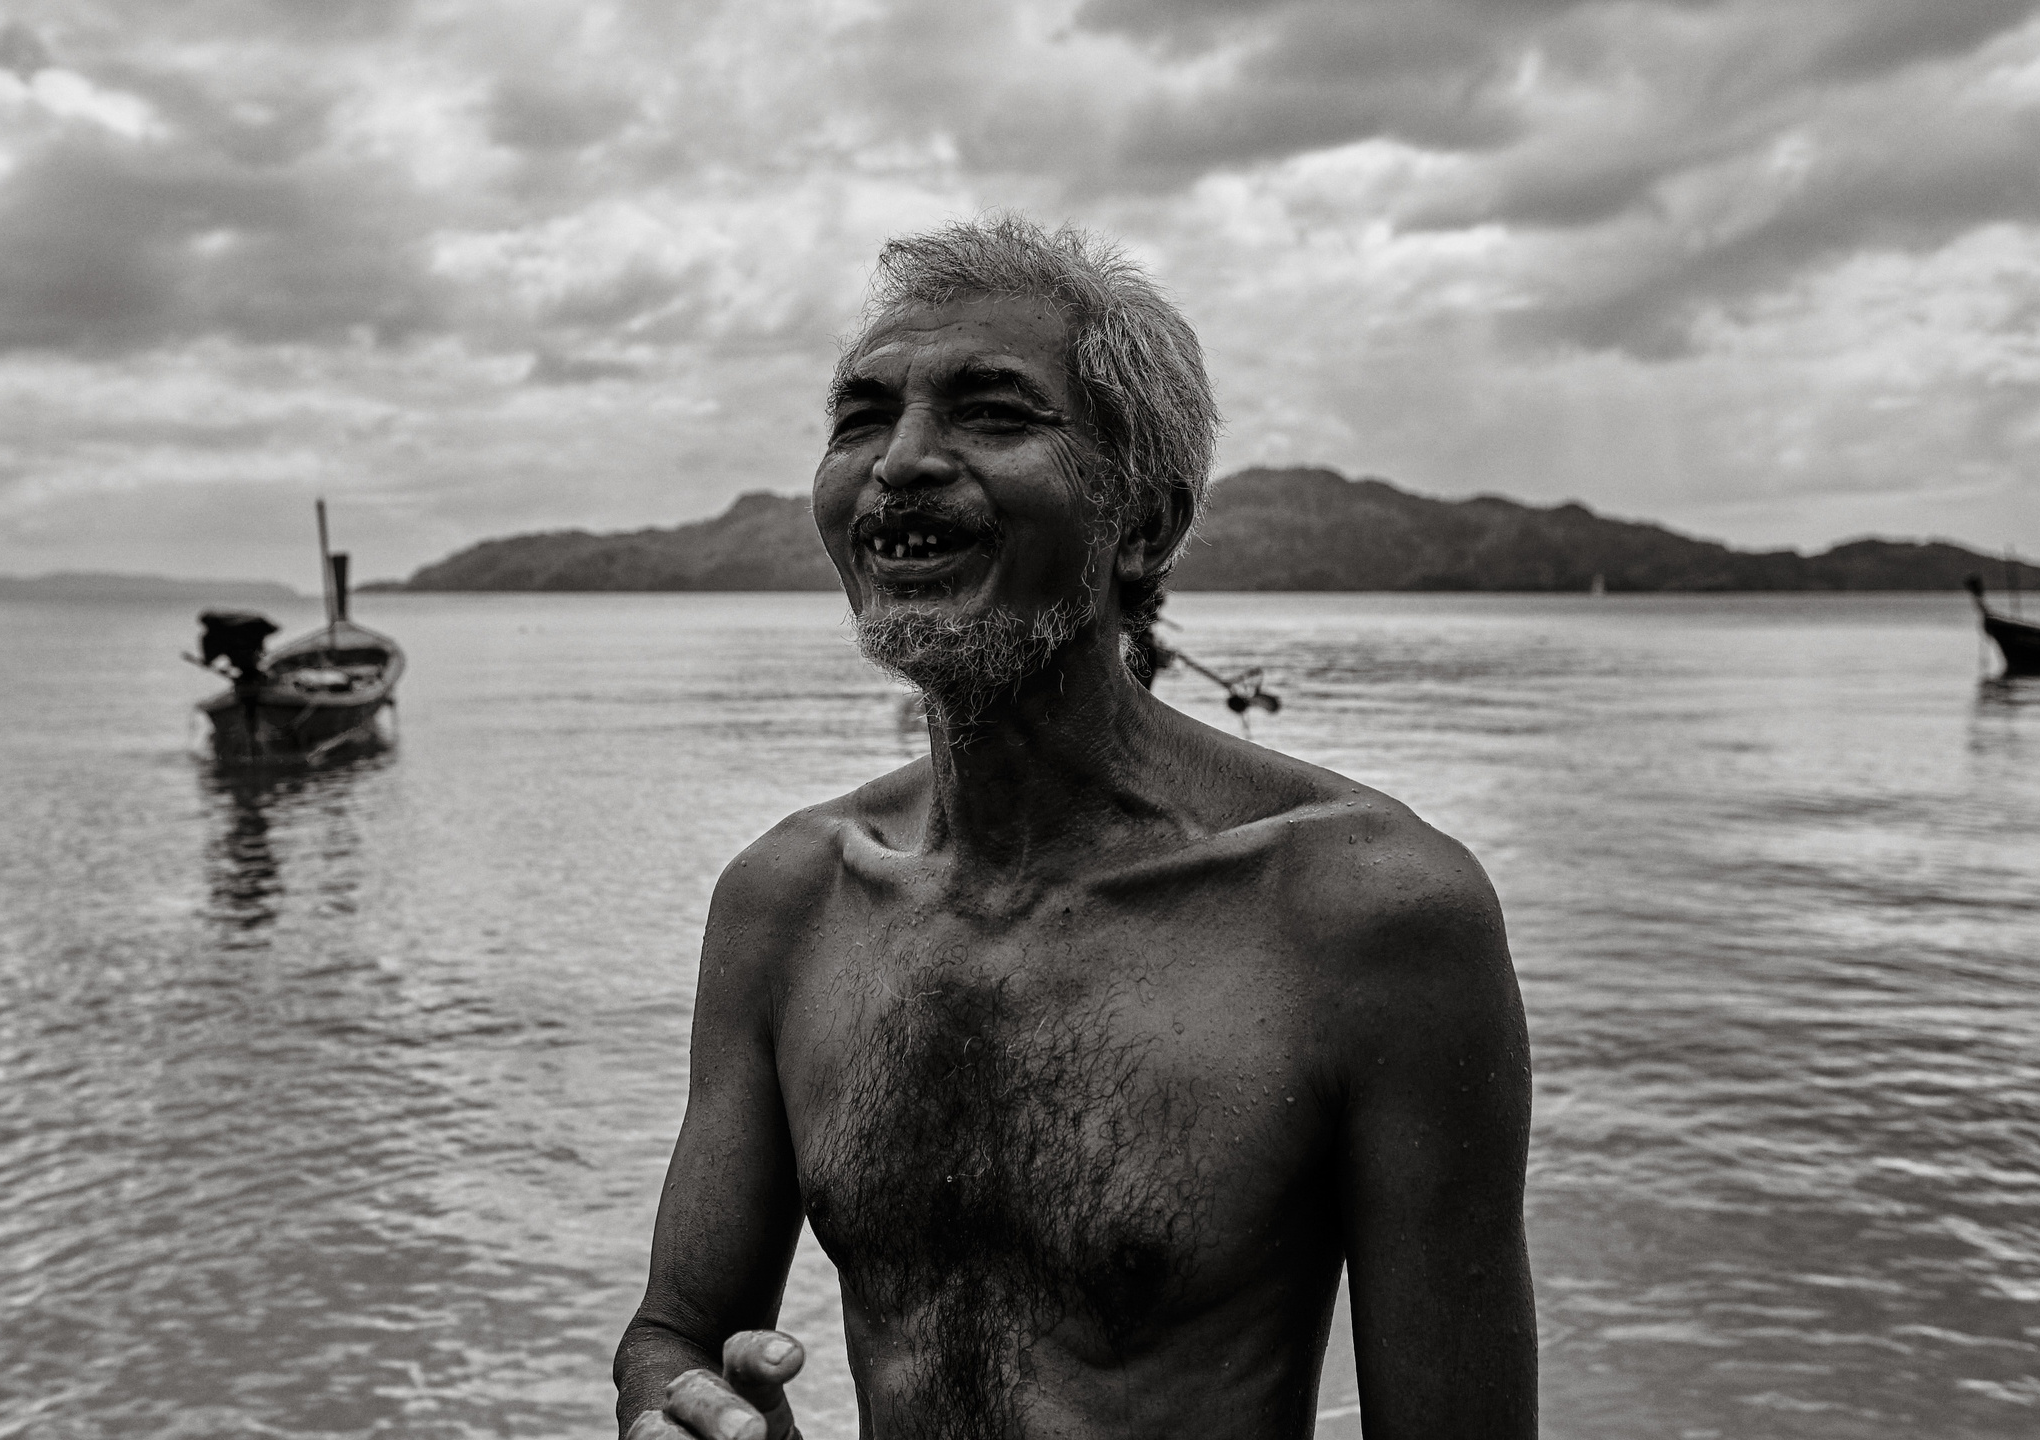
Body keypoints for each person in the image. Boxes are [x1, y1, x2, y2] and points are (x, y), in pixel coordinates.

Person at [614, 215, 1535, 1440]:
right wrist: (683, 1411)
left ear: (1141, 527)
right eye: (861, 416)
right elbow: (676, 1334)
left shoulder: (1367, 917)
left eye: (992, 412)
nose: (902, 461)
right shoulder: (787, 902)